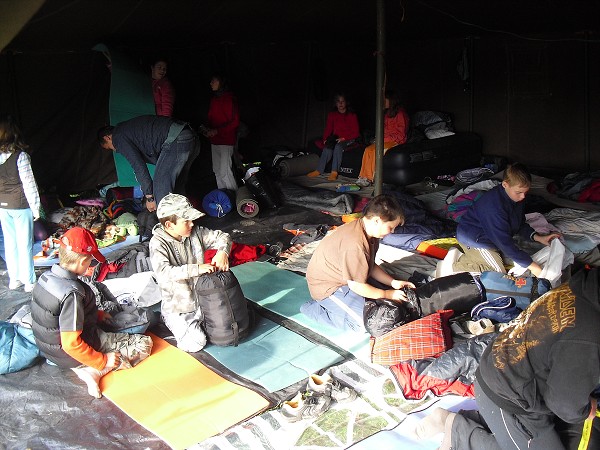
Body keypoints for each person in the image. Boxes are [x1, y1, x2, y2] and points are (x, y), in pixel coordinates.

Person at [414, 265, 600, 450]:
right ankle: (457, 432)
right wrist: (584, 410)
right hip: (506, 394)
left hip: (507, 373)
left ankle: (464, 422)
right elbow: (564, 404)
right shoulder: (587, 337)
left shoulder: (585, 286)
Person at [30, 227, 153, 399]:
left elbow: (56, 317)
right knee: (144, 344)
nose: (91, 265)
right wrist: (102, 360)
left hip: (50, 351)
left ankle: (83, 365)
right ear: (82, 261)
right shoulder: (72, 293)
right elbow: (71, 344)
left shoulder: (46, 277)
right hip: (69, 355)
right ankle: (94, 371)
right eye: (90, 261)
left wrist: (97, 315)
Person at [301, 194, 416, 332]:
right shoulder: (355, 244)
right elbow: (357, 286)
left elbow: (369, 265)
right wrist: (387, 294)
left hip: (348, 279)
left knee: (382, 303)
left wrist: (393, 282)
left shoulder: (369, 233)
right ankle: (314, 309)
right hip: (329, 288)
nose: (392, 232)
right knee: (366, 324)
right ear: (377, 220)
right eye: (390, 227)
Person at [149, 193, 232, 352]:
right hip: (179, 307)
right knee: (197, 343)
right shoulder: (158, 243)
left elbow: (223, 236)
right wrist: (196, 269)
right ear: (169, 225)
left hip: (203, 299)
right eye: (186, 221)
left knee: (228, 330)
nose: (191, 223)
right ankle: (169, 319)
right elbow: (164, 272)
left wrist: (222, 252)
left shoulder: (195, 233)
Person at [453, 163, 561, 276]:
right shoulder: (493, 207)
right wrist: (532, 266)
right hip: (476, 239)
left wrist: (539, 238)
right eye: (519, 192)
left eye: (525, 192)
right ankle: (456, 264)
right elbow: (503, 242)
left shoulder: (516, 199)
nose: (523, 196)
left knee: (523, 257)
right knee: (498, 274)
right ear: (505, 184)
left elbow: (519, 223)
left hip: (493, 237)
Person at [98, 115, 199, 212]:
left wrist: (150, 197)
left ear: (107, 138)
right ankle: (184, 219)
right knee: (177, 187)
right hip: (189, 136)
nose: (115, 150)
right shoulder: (127, 129)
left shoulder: (118, 137)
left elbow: (138, 166)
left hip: (176, 139)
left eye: (110, 147)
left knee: (160, 189)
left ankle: (169, 222)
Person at [0, 115, 41, 293]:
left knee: (10, 243)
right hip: (20, 205)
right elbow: (29, 183)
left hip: (3, 206)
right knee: (25, 244)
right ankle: (29, 281)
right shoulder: (21, 156)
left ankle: (14, 279)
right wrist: (36, 208)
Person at [356, 90, 409, 186]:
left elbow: (401, 135)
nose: (383, 102)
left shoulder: (400, 114)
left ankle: (369, 178)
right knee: (368, 149)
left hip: (396, 141)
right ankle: (363, 176)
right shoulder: (386, 114)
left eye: (385, 100)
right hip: (384, 139)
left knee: (377, 150)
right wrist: (379, 137)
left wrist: (383, 138)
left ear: (391, 100)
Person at [306, 93, 360, 181]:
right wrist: (325, 139)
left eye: (342, 101)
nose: (340, 104)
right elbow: (328, 129)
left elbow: (356, 132)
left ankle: (334, 172)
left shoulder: (352, 115)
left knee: (338, 147)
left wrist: (344, 138)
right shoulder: (332, 114)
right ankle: (319, 170)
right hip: (336, 138)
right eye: (338, 101)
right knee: (328, 147)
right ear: (336, 103)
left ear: (346, 103)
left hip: (349, 138)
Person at [200, 74, 240, 192]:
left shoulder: (230, 99)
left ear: (221, 82)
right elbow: (211, 119)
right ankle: (225, 198)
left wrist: (217, 131)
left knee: (225, 172)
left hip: (226, 141)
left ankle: (235, 197)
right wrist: (206, 129)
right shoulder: (214, 99)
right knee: (217, 171)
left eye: (214, 80)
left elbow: (235, 122)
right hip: (215, 141)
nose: (211, 83)